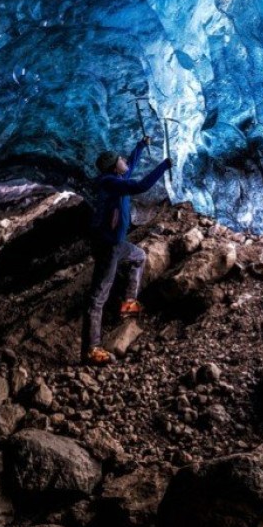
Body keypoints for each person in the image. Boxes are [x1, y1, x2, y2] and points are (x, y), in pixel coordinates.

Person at [82, 135, 171, 365]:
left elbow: (129, 166)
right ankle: (91, 350)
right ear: (114, 166)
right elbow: (141, 186)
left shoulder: (117, 178)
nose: (125, 161)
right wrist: (164, 165)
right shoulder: (109, 183)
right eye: (120, 159)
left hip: (118, 244)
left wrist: (141, 145)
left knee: (139, 257)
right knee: (98, 297)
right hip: (108, 247)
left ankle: (128, 302)